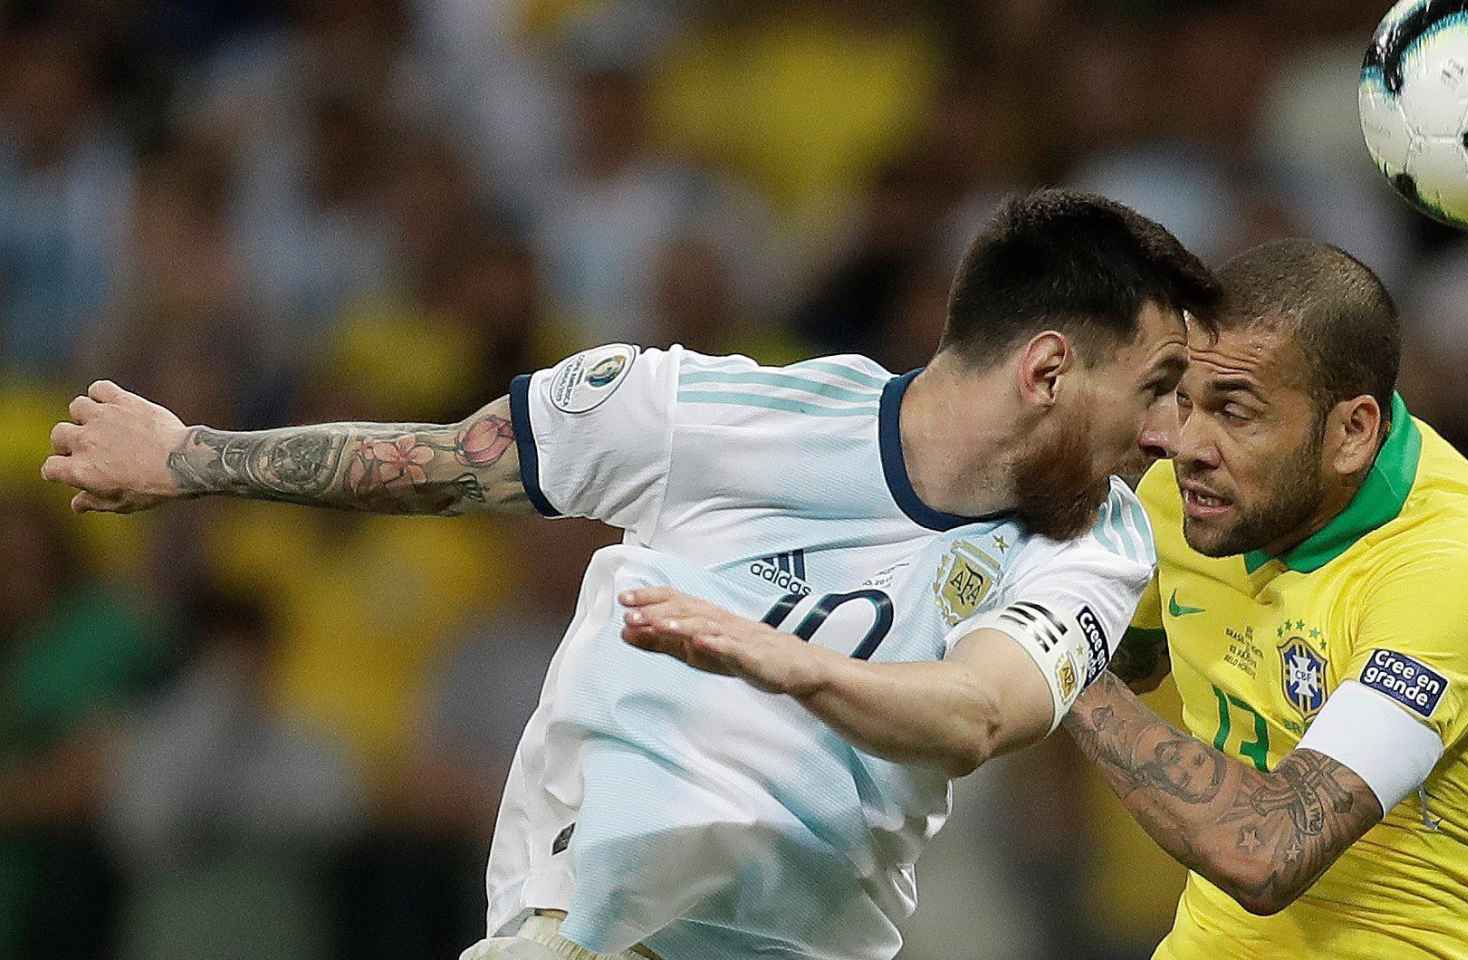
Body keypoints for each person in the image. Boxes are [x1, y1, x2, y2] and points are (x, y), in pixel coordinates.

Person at [40, 190, 1219, 960]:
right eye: (1158, 386)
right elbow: (440, 466)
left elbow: (976, 715)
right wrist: (193, 456)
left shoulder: (1097, 540)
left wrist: (784, 661)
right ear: (1049, 372)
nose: (1168, 432)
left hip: (802, 940)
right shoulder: (698, 412)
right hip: (594, 902)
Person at [633, 239, 1468, 959]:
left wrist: (1047, 643)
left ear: (1352, 432)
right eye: (1180, 399)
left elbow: (1265, 853)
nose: (1186, 444)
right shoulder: (1188, 498)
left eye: (1234, 410)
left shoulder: (1456, 572)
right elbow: (1126, 651)